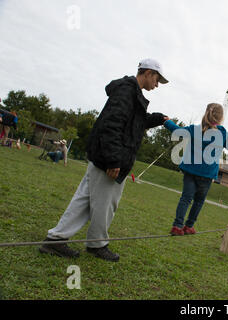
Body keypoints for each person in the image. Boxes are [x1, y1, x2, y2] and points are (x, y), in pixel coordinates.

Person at [39, 58, 170, 262]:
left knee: (83, 201)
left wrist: (155, 119)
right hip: (108, 159)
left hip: (105, 157)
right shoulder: (127, 92)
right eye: (157, 79)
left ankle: (55, 240)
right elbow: (112, 125)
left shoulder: (132, 94)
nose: (157, 84)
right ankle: (97, 245)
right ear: (147, 73)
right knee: (106, 204)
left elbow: (133, 123)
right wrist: (113, 160)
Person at [163, 103, 228, 236]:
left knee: (185, 199)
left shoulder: (194, 130)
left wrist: (167, 122)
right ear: (221, 118)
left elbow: (177, 131)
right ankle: (189, 226)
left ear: (206, 114)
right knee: (198, 202)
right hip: (207, 175)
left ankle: (177, 226)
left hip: (190, 172)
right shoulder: (223, 135)